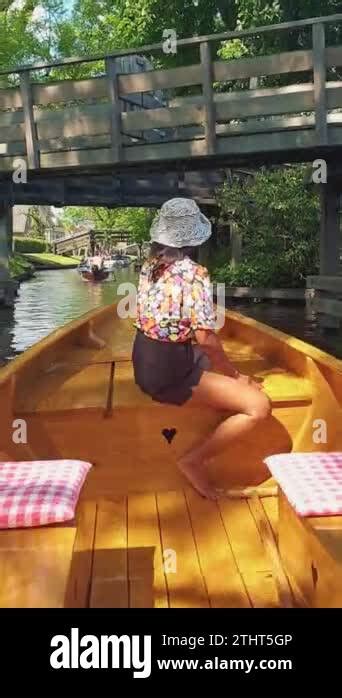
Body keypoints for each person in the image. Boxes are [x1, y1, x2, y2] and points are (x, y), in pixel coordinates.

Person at [132, 198, 271, 499]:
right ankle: (193, 460)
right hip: (168, 373)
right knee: (259, 406)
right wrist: (235, 376)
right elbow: (206, 339)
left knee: (209, 363)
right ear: (194, 238)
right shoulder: (194, 274)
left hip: (143, 360)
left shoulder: (149, 266)